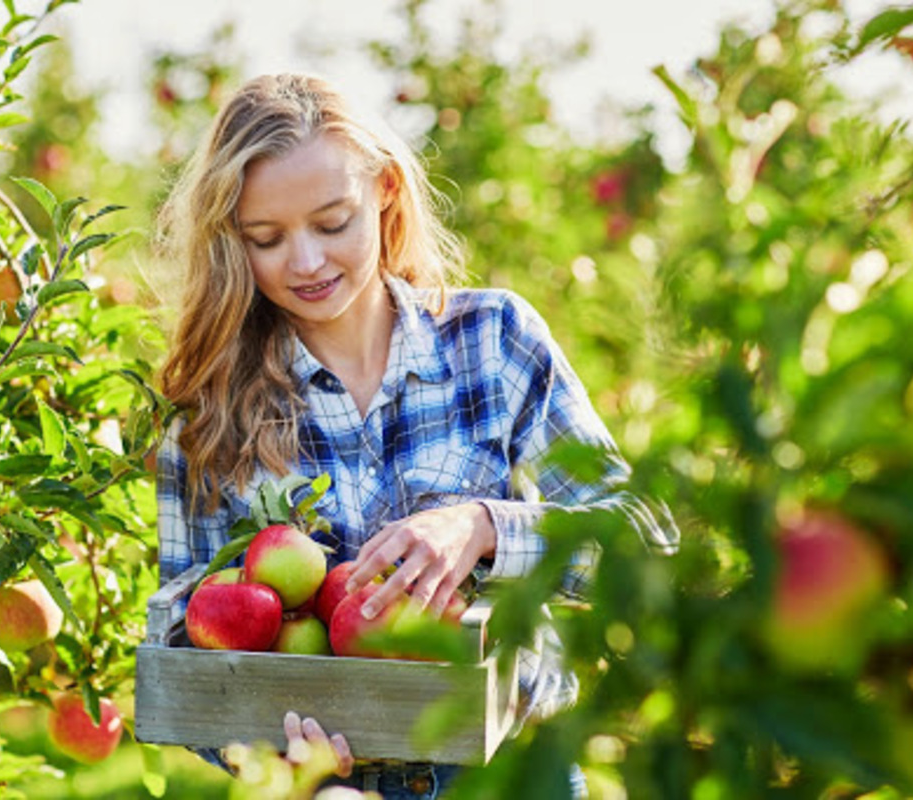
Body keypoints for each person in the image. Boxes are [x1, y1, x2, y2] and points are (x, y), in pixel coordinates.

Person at [154, 72, 677, 799]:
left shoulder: (492, 343)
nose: (306, 262)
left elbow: (646, 546)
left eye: (333, 222)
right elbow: (190, 653)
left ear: (387, 192)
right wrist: (281, 767)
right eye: (266, 239)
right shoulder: (211, 412)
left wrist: (486, 525)